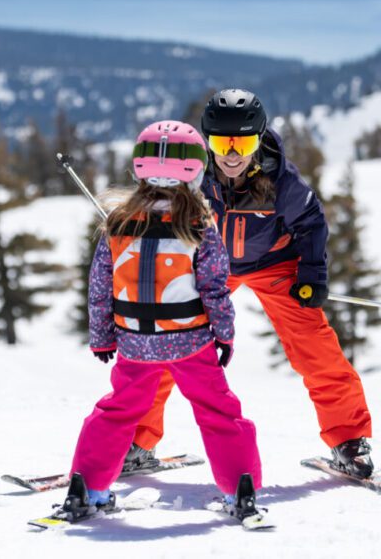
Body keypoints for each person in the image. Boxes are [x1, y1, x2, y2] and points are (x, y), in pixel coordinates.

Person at [125, 89, 378, 479]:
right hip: (212, 264)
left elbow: (311, 223)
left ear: (258, 138)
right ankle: (136, 441)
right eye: (220, 142)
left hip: (276, 264)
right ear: (206, 141)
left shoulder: (281, 179)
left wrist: (313, 274)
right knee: (166, 340)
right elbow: (160, 205)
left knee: (315, 349)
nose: (231, 153)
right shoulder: (194, 175)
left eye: (242, 141)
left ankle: (349, 441)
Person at [60, 120, 262, 522]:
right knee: (218, 410)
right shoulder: (199, 226)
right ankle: (240, 487)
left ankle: (89, 487)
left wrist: (102, 338)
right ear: (197, 171)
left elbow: (101, 286)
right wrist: (224, 334)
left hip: (135, 343)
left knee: (117, 410)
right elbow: (214, 288)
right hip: (191, 342)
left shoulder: (118, 224)